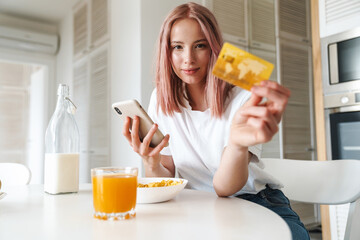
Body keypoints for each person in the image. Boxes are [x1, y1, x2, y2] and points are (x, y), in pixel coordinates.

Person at [122, 2, 309, 240]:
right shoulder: (161, 98)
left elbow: (225, 188)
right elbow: (167, 178)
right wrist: (151, 162)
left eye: (200, 45)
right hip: (194, 203)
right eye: (177, 47)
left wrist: (237, 144)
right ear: (166, 52)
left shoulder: (244, 95)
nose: (188, 59)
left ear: (213, 48)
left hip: (253, 199)